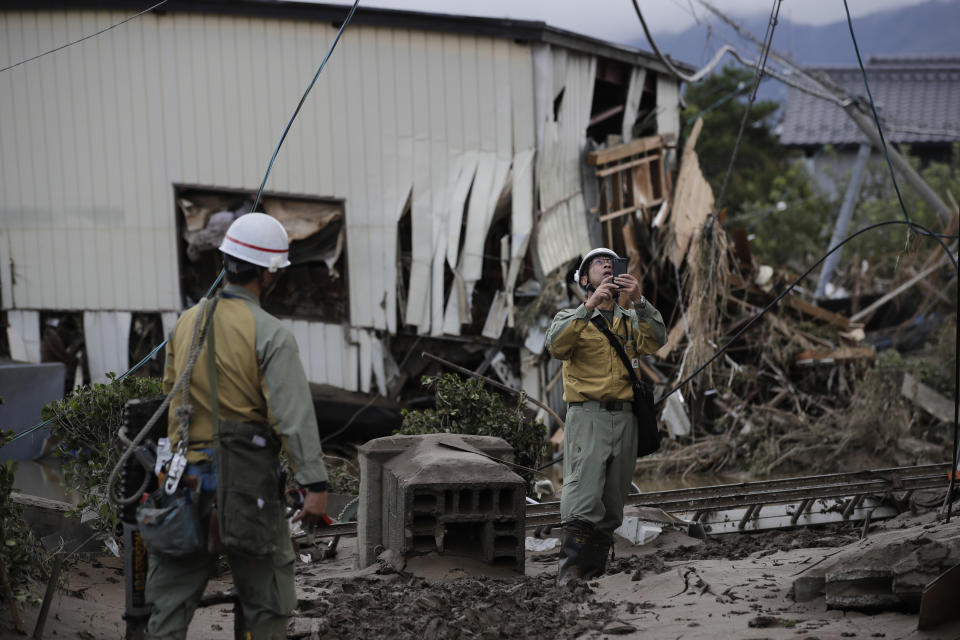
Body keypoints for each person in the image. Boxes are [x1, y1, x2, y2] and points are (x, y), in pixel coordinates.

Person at [146, 212, 329, 640]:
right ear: (269, 275)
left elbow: (172, 400)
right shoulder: (270, 334)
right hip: (246, 489)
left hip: (184, 483)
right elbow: (292, 417)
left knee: (168, 605)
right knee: (267, 603)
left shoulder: (186, 322)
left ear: (225, 262)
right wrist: (315, 485)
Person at [545, 248, 666, 584]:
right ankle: (570, 573)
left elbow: (658, 339)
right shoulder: (570, 318)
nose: (607, 265)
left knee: (613, 501)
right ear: (585, 280)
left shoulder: (631, 319)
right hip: (588, 416)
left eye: (612, 262)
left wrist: (640, 300)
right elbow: (555, 346)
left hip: (625, 418)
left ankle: (594, 572)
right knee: (582, 492)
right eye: (599, 264)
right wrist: (589, 306)